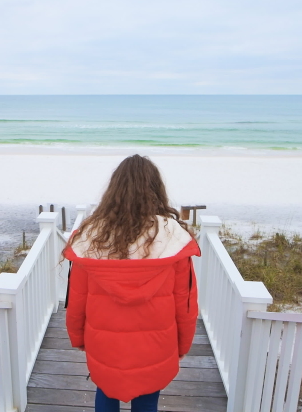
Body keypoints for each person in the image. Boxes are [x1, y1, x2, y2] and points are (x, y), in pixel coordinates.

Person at [63, 154, 200, 412]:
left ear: (114, 189)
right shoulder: (173, 236)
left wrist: (78, 337)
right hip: (156, 343)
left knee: (105, 390)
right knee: (147, 400)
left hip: (104, 342)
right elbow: (186, 301)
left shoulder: (91, 236)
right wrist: (182, 344)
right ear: (155, 190)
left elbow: (76, 297)